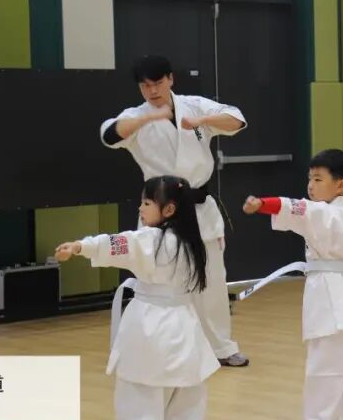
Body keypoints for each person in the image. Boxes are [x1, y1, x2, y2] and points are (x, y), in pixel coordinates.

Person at [55, 176, 218, 420]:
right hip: (185, 328)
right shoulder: (192, 243)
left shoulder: (151, 241)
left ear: (168, 209)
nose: (141, 208)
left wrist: (80, 246)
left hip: (151, 329)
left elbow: (120, 242)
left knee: (141, 407)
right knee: (184, 408)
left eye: (146, 203)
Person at [100, 55, 249, 367]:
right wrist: (147, 120)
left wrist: (203, 122)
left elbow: (236, 120)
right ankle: (153, 347)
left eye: (157, 83)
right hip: (159, 211)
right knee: (157, 278)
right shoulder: (135, 117)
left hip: (199, 207)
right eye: (145, 85)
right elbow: (110, 134)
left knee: (212, 280)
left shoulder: (194, 106)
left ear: (170, 79)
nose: (152, 90)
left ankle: (221, 347)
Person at [243, 149, 343, 420]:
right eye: (310, 179)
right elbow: (301, 209)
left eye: (318, 179)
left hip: (332, 298)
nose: (310, 186)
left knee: (325, 370)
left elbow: (295, 208)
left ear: (340, 186)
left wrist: (260, 204)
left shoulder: (323, 213)